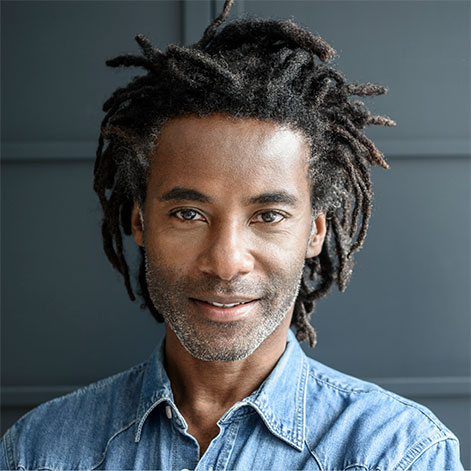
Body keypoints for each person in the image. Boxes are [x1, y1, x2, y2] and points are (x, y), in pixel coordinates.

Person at [1, 1, 464, 469]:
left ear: (315, 232)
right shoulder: (39, 451)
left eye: (268, 216)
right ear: (140, 222)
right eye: (188, 214)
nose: (226, 262)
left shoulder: (401, 453)